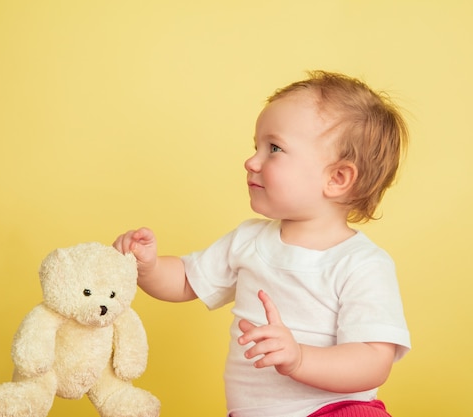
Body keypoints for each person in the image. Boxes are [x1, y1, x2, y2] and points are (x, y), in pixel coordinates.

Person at [113, 70, 411, 417]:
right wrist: (147, 266)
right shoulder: (249, 240)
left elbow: (374, 360)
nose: (251, 161)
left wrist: (300, 358)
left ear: (337, 178)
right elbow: (184, 280)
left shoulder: (361, 263)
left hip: (334, 408)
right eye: (256, 146)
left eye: (274, 148)